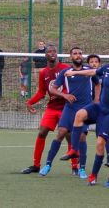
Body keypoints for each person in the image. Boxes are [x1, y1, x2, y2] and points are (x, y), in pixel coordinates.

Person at [60, 46, 109, 186]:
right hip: (99, 107)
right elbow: (92, 72)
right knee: (79, 115)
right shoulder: (107, 69)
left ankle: (93, 175)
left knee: (100, 143)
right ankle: (74, 150)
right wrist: (75, 72)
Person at [39, 47, 100, 176]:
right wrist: (65, 96)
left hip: (85, 108)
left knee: (82, 136)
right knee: (61, 133)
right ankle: (48, 164)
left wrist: (96, 100)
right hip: (70, 107)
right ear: (71, 56)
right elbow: (53, 89)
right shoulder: (65, 72)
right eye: (75, 54)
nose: (78, 55)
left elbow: (98, 84)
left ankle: (81, 168)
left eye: (80, 53)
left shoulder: (88, 71)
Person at [21, 45, 74, 174]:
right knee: (42, 132)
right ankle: (36, 165)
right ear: (45, 55)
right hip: (52, 108)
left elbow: (73, 85)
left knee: (68, 135)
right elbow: (41, 92)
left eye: (54, 51)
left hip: (66, 108)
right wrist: (30, 102)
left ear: (57, 54)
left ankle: (76, 166)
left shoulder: (65, 68)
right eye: (49, 51)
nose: (52, 53)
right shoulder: (43, 72)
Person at [86, 54, 109, 168]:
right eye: (91, 61)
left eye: (96, 61)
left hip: (103, 107)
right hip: (90, 107)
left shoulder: (104, 75)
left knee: (102, 132)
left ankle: (108, 157)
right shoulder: (87, 76)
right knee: (81, 129)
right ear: (88, 63)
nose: (93, 63)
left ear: (99, 63)